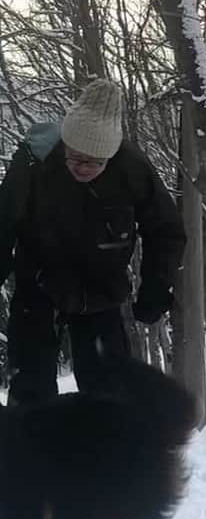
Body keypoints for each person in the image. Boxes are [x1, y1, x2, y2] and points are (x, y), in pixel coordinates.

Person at [0, 79, 186, 405]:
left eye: (94, 161)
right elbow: (2, 225)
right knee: (31, 389)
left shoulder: (132, 169)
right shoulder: (33, 164)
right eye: (74, 158)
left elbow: (165, 230)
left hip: (101, 290)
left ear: (110, 156)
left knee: (109, 392)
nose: (82, 167)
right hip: (38, 284)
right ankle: (32, 452)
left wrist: (156, 288)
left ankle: (109, 452)